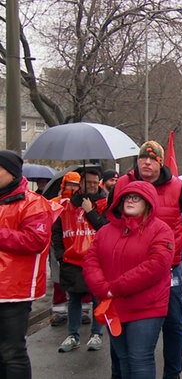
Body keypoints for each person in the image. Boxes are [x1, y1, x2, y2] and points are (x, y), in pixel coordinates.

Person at [113, 140, 182, 379]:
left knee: (172, 322)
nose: (146, 163)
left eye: (152, 159)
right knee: (124, 322)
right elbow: (112, 220)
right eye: (142, 158)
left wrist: (174, 245)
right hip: (128, 268)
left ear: (161, 162)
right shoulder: (123, 184)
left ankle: (173, 373)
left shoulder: (178, 188)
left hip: (168, 269)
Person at [83, 181, 175, 379]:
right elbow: (91, 260)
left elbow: (156, 265)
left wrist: (114, 288)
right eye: (127, 197)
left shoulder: (161, 230)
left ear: (148, 202)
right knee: (123, 359)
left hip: (146, 307)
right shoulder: (105, 231)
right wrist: (102, 288)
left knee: (139, 358)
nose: (130, 200)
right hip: (114, 306)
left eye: (137, 197)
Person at [0, 150, 60, 378]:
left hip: (16, 291)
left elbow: (35, 240)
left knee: (12, 352)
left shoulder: (33, 204)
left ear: (12, 172)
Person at [53, 169, 107, 352]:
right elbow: (57, 232)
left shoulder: (104, 204)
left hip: (97, 261)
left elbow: (106, 229)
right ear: (81, 183)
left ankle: (96, 334)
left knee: (97, 299)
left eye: (95, 182)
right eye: (88, 182)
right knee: (73, 299)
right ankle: (72, 335)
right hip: (71, 261)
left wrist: (90, 212)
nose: (92, 185)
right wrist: (61, 255)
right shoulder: (66, 206)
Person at [48, 171, 82, 327]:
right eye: (70, 184)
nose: (73, 188)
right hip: (57, 245)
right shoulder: (54, 202)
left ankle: (84, 310)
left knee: (81, 278)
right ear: (64, 184)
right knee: (58, 277)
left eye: (76, 185)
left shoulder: (80, 202)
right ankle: (59, 311)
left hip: (76, 244)